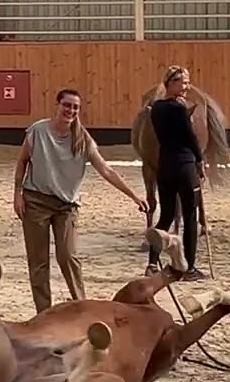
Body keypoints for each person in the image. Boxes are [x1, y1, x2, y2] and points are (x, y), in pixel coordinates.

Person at [12, 88, 149, 312]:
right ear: (57, 105)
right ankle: (44, 312)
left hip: (66, 206)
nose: (70, 110)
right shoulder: (38, 131)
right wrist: (17, 194)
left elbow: (105, 169)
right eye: (67, 105)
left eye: (75, 107)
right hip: (35, 201)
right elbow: (22, 162)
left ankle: (81, 306)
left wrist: (133, 195)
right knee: (38, 262)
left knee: (68, 256)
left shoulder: (82, 139)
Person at [144, 65, 207, 281]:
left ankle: (152, 263)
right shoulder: (180, 109)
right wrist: (200, 160)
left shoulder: (157, 108)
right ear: (170, 83)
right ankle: (189, 268)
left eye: (187, 82)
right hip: (184, 164)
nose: (186, 86)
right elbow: (190, 137)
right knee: (190, 215)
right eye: (183, 82)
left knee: (166, 215)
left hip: (165, 166)